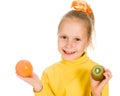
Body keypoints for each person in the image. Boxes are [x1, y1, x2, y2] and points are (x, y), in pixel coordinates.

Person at [17, 0, 112, 96]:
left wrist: (96, 92)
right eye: (64, 37)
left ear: (88, 41)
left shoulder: (98, 76)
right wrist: (38, 86)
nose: (69, 45)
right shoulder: (49, 74)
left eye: (77, 39)